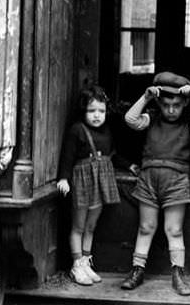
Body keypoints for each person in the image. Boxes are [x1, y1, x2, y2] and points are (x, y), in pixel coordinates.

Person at [120, 71, 190, 296]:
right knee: (146, 227)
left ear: (184, 104)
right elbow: (130, 119)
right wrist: (146, 98)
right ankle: (137, 271)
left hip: (176, 181)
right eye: (165, 104)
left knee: (173, 229)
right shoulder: (151, 118)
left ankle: (178, 274)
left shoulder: (189, 125)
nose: (171, 110)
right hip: (149, 179)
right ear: (159, 103)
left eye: (176, 105)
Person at [57, 85, 138, 286]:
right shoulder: (77, 130)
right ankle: (76, 265)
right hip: (83, 181)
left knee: (91, 226)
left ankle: (86, 262)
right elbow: (67, 156)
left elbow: (113, 155)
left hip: (101, 182)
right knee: (79, 226)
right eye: (92, 111)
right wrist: (64, 178)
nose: (97, 115)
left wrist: (130, 165)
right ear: (83, 111)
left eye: (101, 111)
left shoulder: (107, 131)